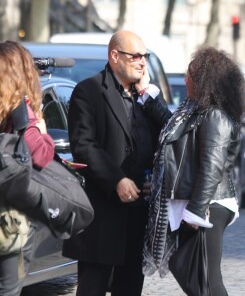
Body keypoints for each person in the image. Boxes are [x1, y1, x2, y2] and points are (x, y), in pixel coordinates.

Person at [62, 30, 171, 296]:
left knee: (130, 285)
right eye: (135, 56)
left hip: (139, 211)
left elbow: (170, 133)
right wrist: (116, 180)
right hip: (102, 210)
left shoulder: (145, 96)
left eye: (144, 56)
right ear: (114, 56)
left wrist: (150, 96)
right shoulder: (89, 91)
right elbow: (84, 146)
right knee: (93, 286)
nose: (142, 62)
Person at [143, 46, 245, 296]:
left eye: (190, 75)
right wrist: (148, 96)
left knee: (207, 281)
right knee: (192, 274)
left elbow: (212, 167)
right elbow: (172, 128)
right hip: (199, 204)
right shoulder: (196, 112)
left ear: (204, 81)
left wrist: (196, 211)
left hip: (209, 205)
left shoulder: (215, 116)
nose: (185, 80)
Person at [0, 41, 55, 295]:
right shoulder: (21, 114)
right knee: (9, 288)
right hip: (11, 220)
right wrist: (43, 131)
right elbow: (41, 156)